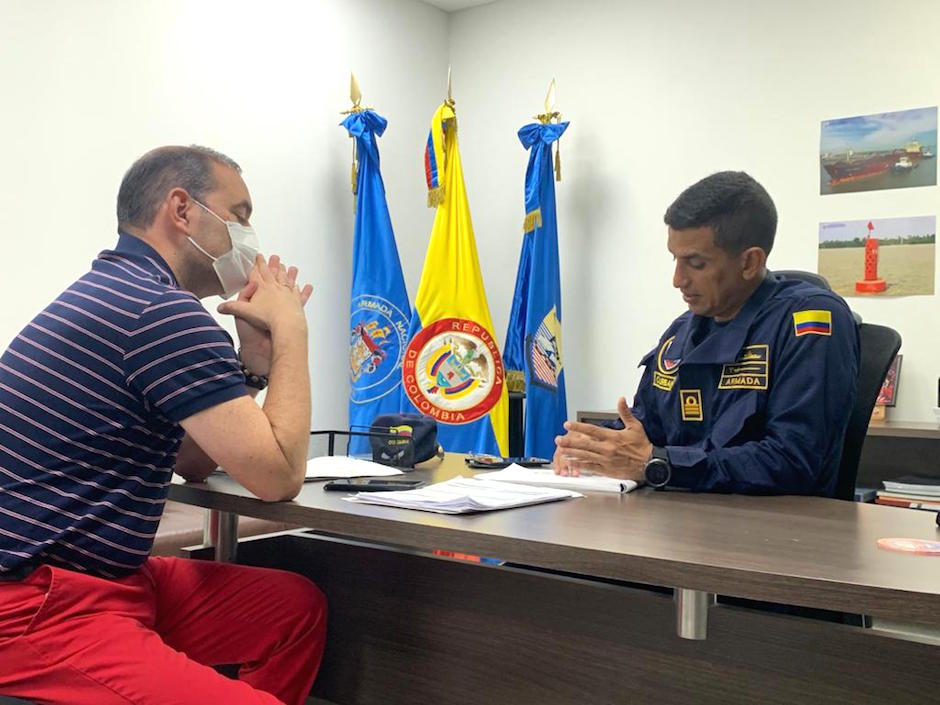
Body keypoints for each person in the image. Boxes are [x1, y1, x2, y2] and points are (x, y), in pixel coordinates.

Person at [0, 146, 325, 704]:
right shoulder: (160, 312)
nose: (249, 236)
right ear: (181, 209)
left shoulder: (126, 294)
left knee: (294, 609)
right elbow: (278, 478)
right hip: (36, 603)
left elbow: (193, 463)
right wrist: (291, 328)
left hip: (112, 578)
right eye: (240, 215)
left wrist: (250, 366)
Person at [555, 171, 859, 495]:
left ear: (750, 262)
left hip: (777, 534)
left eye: (695, 263)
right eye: (675, 259)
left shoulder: (809, 322)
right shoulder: (682, 332)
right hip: (681, 524)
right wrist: (591, 447)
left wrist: (658, 464)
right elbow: (645, 426)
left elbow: (792, 460)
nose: (677, 279)